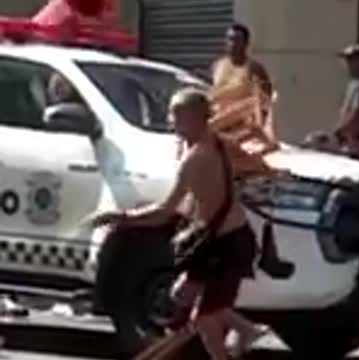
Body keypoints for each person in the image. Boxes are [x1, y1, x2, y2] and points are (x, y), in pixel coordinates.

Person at [88, 88, 265, 360]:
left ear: (194, 118)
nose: (170, 121)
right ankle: (239, 336)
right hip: (225, 240)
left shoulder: (194, 160)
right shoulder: (218, 142)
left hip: (224, 245)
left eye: (176, 115)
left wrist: (122, 219)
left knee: (205, 315)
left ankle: (247, 330)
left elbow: (164, 211)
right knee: (186, 298)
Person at [208, 23, 277, 157]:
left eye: (237, 40)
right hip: (219, 125)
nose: (232, 44)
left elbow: (265, 102)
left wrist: (258, 129)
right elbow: (213, 94)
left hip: (243, 129)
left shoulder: (255, 69)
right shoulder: (217, 66)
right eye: (229, 39)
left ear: (246, 43)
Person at [334, 43, 359, 157]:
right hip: (347, 140)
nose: (348, 65)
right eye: (347, 61)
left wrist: (339, 130)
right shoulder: (352, 83)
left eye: (351, 60)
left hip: (357, 142)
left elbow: (356, 112)